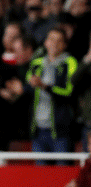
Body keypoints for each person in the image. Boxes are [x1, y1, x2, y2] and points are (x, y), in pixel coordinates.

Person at [26, 25, 78, 157]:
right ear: (45, 42)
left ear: (64, 45)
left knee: (62, 172)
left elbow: (69, 93)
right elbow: (28, 87)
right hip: (38, 128)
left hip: (61, 130)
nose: (54, 43)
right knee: (41, 174)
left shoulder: (70, 62)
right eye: (51, 39)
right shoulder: (36, 63)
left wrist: (44, 86)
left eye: (59, 40)